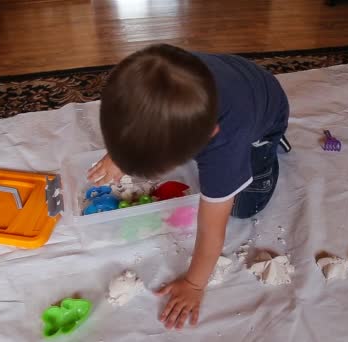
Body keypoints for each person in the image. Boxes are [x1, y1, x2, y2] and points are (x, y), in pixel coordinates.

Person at [87, 44, 290, 329]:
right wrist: (121, 152)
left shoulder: (225, 145)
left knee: (244, 206)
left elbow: (211, 228)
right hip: (232, 80)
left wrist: (194, 284)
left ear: (208, 136)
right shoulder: (159, 75)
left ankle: (267, 152)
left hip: (265, 116)